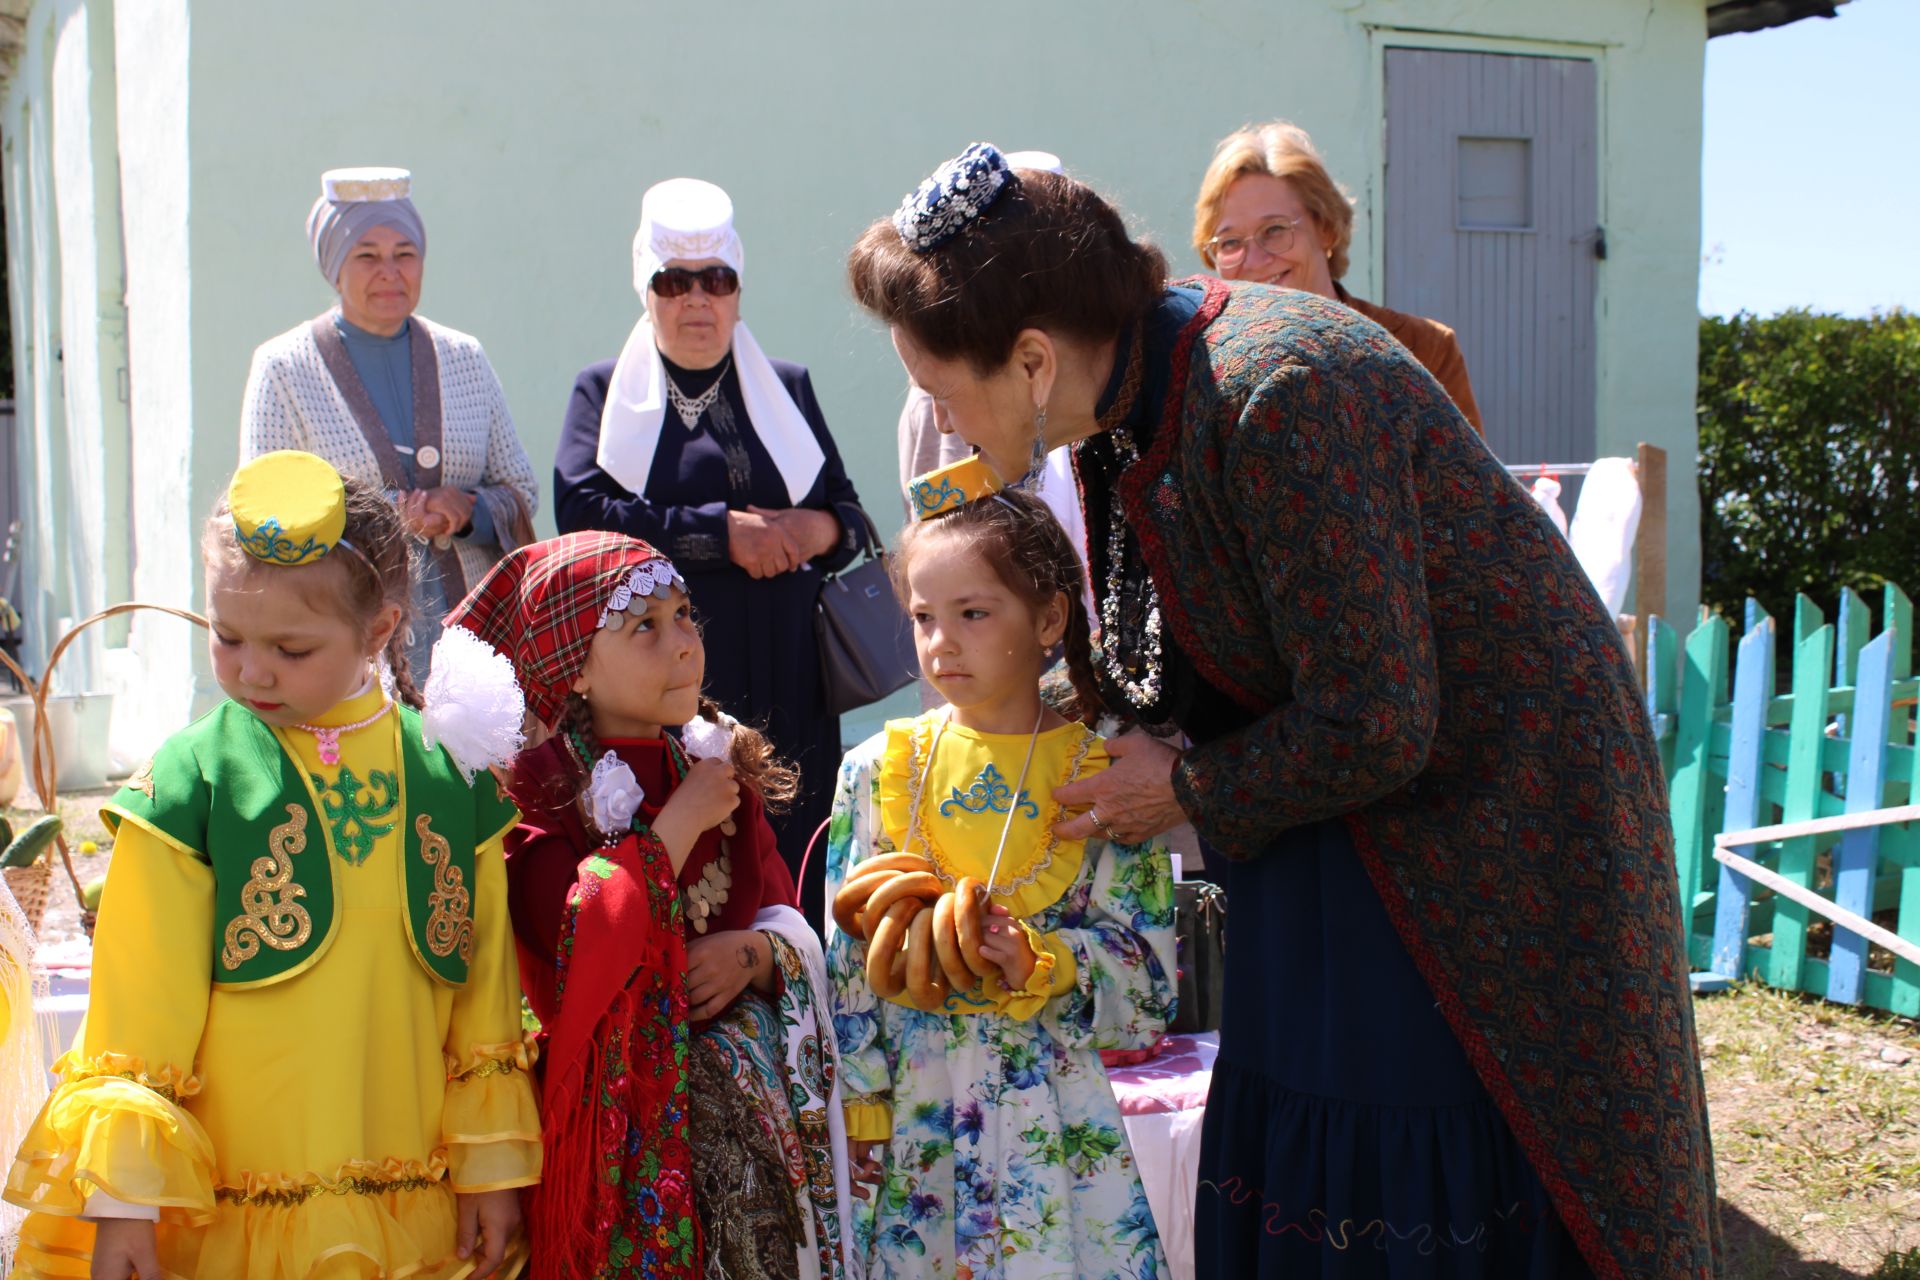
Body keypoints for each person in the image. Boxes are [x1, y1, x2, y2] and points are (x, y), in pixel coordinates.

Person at [845, 143, 1717, 1279]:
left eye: (939, 387)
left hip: (1485, 845)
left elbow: (1377, 717)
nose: (941, 422)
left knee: (1420, 1170)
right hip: (1344, 828)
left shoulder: (1280, 387)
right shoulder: (1123, 398)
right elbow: (1188, 652)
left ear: (1031, 357)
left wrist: (1184, 786)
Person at [4, 451, 539, 1279]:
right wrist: (125, 1210)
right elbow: (135, 1022)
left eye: (291, 648)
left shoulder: (450, 781)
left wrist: (492, 1172)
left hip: (413, 1222)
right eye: (227, 636)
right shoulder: (193, 782)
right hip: (232, 1226)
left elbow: (485, 1005)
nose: (252, 670)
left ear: (381, 630)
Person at [442, 531, 853, 1280]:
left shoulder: (713, 764)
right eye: (646, 627)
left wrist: (754, 956)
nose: (685, 644)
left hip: (751, 1149)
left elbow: (782, 918)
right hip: (619, 1148)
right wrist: (674, 830)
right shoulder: (534, 795)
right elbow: (570, 944)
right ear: (571, 671)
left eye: (685, 615)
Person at [827, 464, 1175, 1279]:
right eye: (922, 616)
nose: (940, 642)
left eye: (972, 614)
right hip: (918, 1138)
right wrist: (865, 1116)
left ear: (1050, 616)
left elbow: (1150, 992)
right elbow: (848, 973)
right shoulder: (877, 771)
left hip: (1056, 1136)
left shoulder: (1106, 777)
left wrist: (1043, 962)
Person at [554, 178, 865, 931]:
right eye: (674, 282)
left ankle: (796, 999)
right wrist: (721, 534)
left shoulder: (784, 387)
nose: (698, 300)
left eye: (716, 281)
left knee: (794, 844)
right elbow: (582, 512)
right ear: (647, 289)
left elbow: (850, 517)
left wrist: (811, 533)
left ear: (737, 288)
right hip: (672, 680)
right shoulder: (603, 393)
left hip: (791, 673)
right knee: (700, 866)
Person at [241, 166, 539, 675]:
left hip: (475, 639)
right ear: (334, 266)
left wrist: (465, 510)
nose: (390, 271)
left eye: (405, 254)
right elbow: (263, 512)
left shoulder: (464, 357)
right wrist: (384, 514)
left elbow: (520, 491)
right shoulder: (284, 368)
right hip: (348, 640)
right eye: (367, 256)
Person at [1194, 121, 1485, 433]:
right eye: (1230, 242)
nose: (1254, 261)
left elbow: (1467, 481)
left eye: (1275, 230)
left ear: (1326, 228)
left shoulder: (1424, 349)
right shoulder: (1199, 368)